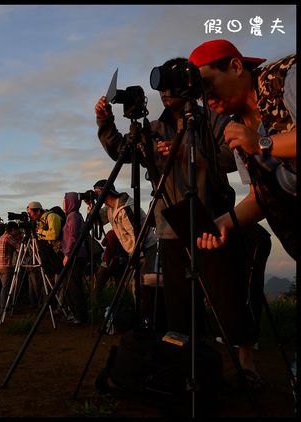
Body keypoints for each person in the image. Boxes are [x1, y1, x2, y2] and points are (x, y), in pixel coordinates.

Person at [95, 57, 261, 386]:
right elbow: (122, 153)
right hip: (170, 226)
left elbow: (233, 154)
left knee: (226, 296)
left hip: (211, 220)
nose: (165, 95)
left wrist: (189, 152)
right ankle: (190, 369)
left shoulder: (211, 120)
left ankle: (247, 362)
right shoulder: (153, 129)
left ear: (186, 88)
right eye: (162, 90)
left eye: (171, 88)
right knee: (179, 306)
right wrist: (105, 124)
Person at [188, 39, 297, 261]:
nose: (206, 99)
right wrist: (222, 223)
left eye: (207, 85)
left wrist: (262, 144)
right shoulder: (236, 129)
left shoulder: (287, 78)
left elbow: (261, 144)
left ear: (236, 67)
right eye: (200, 94)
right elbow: (259, 197)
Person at [89, 179, 163, 330]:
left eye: (97, 193)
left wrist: (134, 256)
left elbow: (139, 235)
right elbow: (95, 221)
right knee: (138, 288)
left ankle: (149, 322)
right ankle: (143, 321)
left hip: (146, 249)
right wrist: (91, 206)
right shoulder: (110, 208)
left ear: (105, 192)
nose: (96, 197)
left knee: (144, 287)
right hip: (135, 251)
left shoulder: (124, 207)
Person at [26, 201, 63, 308]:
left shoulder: (51, 216)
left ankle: (62, 307)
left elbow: (54, 234)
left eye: (30, 213)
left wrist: (39, 232)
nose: (30, 216)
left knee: (60, 282)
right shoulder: (41, 220)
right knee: (52, 281)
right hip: (52, 252)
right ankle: (53, 305)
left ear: (37, 211)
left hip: (59, 252)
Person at [60, 192, 89, 325]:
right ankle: (76, 313)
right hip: (76, 255)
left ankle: (81, 315)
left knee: (74, 286)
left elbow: (72, 237)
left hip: (75, 256)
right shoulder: (75, 216)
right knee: (70, 285)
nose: (63, 203)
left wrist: (67, 254)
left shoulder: (72, 217)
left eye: (65, 201)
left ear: (70, 202)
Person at [0, 221, 21, 313]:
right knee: (7, 288)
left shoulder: (2, 237)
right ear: (13, 229)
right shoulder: (8, 237)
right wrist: (20, 238)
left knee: (5, 287)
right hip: (6, 266)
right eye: (17, 230)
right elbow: (20, 247)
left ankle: (6, 307)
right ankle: (4, 308)